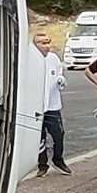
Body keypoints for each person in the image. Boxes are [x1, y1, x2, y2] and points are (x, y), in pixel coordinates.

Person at [33, 32, 71, 177]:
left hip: (52, 105)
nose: (47, 46)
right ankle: (42, 164)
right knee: (39, 136)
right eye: (43, 43)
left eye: (48, 42)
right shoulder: (30, 60)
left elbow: (59, 74)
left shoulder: (53, 58)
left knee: (58, 134)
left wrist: (61, 79)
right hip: (36, 106)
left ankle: (58, 159)